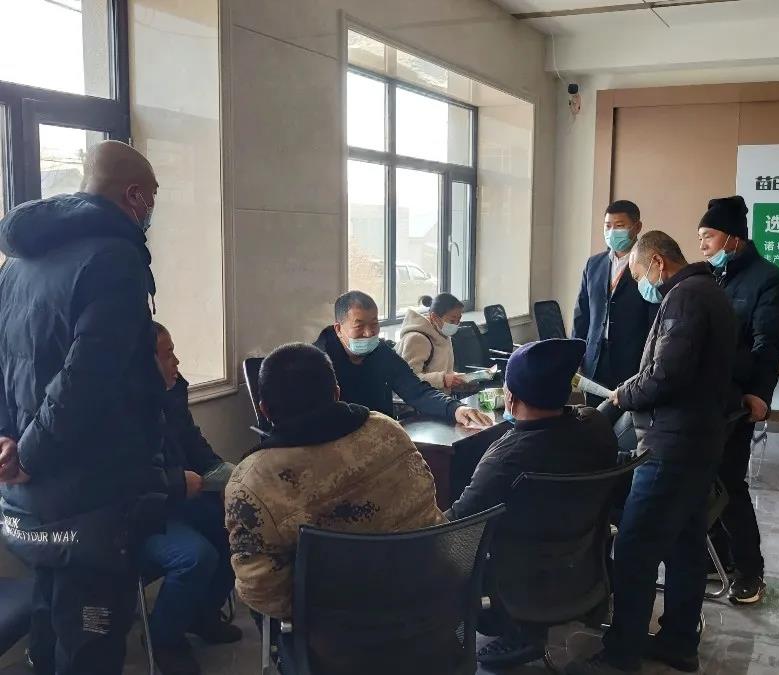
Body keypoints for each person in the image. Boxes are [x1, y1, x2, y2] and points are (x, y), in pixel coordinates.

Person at [0, 140, 168, 674]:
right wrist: (30, 454)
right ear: (134, 195)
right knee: (90, 643)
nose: (153, 209)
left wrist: (8, 442)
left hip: (29, 496)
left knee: (49, 627)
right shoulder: (115, 258)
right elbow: (89, 376)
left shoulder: (19, 263)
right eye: (152, 196)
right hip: (89, 490)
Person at [566, 231, 737, 675]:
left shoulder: (685, 298)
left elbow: (666, 376)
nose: (641, 282)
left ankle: (621, 653)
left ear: (658, 262)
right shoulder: (709, 291)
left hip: (671, 446)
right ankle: (679, 642)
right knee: (685, 546)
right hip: (698, 441)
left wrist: (625, 395)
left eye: (640, 273)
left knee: (635, 548)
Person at [224, 343, 445, 620]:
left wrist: (315, 615)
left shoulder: (252, 481)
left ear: (264, 410)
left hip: (339, 633)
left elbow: (261, 591)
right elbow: (429, 508)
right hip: (428, 606)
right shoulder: (386, 430)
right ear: (337, 392)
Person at [448, 338, 619, 669]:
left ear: (510, 398)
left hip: (519, 574)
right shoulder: (596, 426)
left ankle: (518, 629)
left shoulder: (507, 457)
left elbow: (457, 522)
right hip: (582, 562)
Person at [698, 196, 779, 605]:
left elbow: (769, 343)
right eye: (700, 237)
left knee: (729, 482)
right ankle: (717, 558)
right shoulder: (708, 277)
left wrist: (759, 394)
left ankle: (750, 571)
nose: (703, 244)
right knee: (704, 480)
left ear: (733, 238)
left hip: (736, 402)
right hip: (703, 400)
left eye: (709, 236)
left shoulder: (769, 280)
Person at [140, 323, 241, 675]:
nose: (177, 362)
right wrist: (174, 483)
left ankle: (201, 614)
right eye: (168, 355)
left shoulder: (172, 390)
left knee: (241, 528)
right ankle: (163, 639)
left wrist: (224, 474)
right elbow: (117, 479)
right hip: (139, 514)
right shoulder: (114, 409)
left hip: (180, 499)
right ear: (142, 362)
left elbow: (193, 444)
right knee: (196, 557)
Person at [314, 291, 490, 428]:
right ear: (338, 329)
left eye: (374, 324)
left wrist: (456, 409)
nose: (369, 333)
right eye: (359, 326)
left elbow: (415, 390)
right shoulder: (317, 363)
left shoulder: (380, 351)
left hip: (380, 435)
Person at [573, 200, 658, 405]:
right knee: (593, 417)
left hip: (632, 362)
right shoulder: (594, 264)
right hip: (594, 361)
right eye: (607, 226)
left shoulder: (650, 265)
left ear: (637, 227)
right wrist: (574, 355)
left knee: (626, 420)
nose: (612, 232)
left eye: (619, 226)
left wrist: (651, 363)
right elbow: (582, 314)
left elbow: (654, 318)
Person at [397, 293, 468, 390]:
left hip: (436, 396)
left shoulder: (443, 334)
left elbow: (442, 371)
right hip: (417, 398)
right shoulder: (417, 338)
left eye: (458, 320)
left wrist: (458, 380)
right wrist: (443, 380)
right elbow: (408, 379)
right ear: (434, 317)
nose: (456, 325)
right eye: (452, 321)